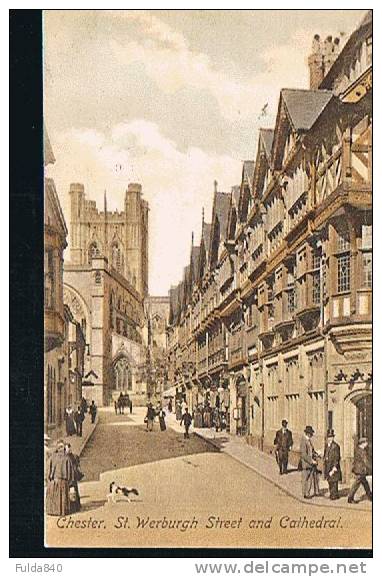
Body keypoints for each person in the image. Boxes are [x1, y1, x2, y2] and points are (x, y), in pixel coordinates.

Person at [46, 439, 76, 516]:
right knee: (62, 498)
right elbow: (70, 472)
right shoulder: (67, 458)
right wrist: (70, 482)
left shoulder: (52, 458)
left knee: (54, 497)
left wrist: (48, 479)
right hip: (63, 482)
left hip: (53, 481)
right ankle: (61, 511)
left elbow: (48, 471)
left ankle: (53, 511)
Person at [348, 437, 372, 504]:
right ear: (363, 443)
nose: (367, 444)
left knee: (365, 483)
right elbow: (365, 461)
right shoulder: (362, 451)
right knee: (356, 485)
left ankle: (370, 496)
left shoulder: (357, 449)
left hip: (358, 470)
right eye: (366, 442)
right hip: (360, 470)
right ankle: (350, 498)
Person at [300, 425, 320, 499]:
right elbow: (304, 455)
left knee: (310, 479)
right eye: (311, 433)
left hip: (310, 464)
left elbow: (312, 451)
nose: (311, 435)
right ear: (307, 433)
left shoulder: (309, 441)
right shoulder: (303, 441)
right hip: (306, 464)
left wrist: (317, 454)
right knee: (305, 479)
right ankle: (305, 494)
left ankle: (308, 493)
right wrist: (311, 461)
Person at [323, 429, 342, 500]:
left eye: (331, 437)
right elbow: (325, 454)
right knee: (330, 481)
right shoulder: (326, 445)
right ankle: (332, 494)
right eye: (328, 437)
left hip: (333, 466)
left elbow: (337, 458)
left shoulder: (336, 446)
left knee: (334, 481)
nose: (329, 439)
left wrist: (334, 467)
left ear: (333, 438)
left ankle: (334, 495)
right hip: (327, 466)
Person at [64, 443, 83, 513]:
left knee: (73, 491)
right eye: (67, 449)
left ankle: (76, 506)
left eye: (69, 448)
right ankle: (73, 506)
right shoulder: (66, 456)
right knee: (71, 491)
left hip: (72, 477)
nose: (68, 450)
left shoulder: (72, 456)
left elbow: (76, 464)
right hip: (69, 477)